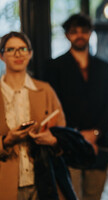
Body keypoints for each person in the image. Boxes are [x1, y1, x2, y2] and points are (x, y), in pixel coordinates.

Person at [43, 13, 108, 200]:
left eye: (84, 31)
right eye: (74, 32)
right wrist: (77, 135)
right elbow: (54, 107)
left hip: (98, 144)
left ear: (90, 33)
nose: (79, 35)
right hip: (68, 143)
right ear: (67, 35)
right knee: (70, 196)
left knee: (94, 196)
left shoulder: (103, 67)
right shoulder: (55, 66)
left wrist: (95, 133)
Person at [0, 31, 73, 199]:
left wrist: (52, 140)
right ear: (2, 56)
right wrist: (6, 141)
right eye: (11, 49)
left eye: (23, 48)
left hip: (42, 180)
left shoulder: (45, 90)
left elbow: (63, 135)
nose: (18, 54)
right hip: (4, 182)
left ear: (30, 54)